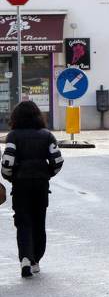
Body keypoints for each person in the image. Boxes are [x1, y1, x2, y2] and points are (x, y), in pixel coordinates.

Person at [1, 101, 64, 278]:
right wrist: (47, 174)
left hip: (21, 184)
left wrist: (10, 177)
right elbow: (57, 161)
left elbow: (7, 162)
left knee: (23, 222)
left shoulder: (13, 136)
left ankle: (25, 260)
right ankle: (36, 259)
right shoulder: (47, 136)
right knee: (39, 221)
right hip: (41, 184)